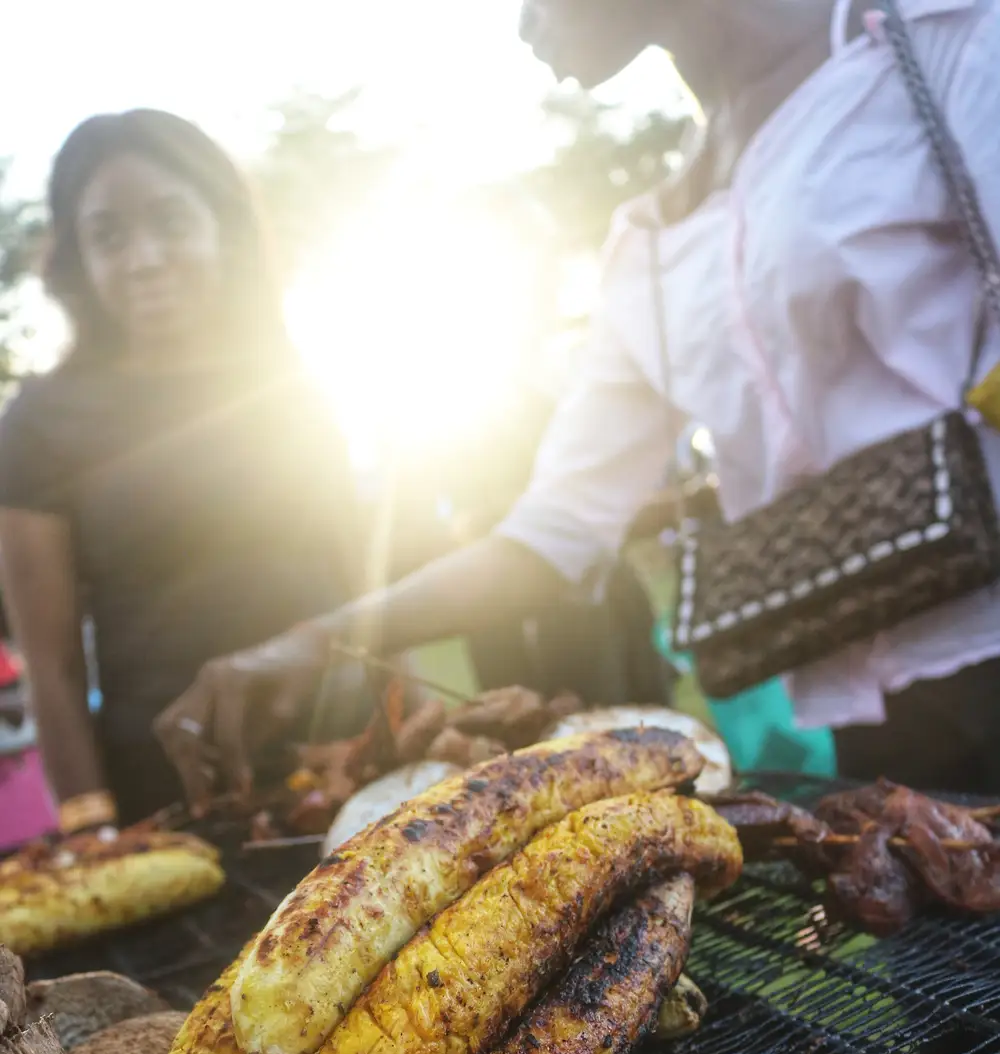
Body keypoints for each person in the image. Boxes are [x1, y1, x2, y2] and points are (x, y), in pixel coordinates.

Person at [157, 0, 1000, 801]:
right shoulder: (647, 249)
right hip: (879, 717)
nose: (525, 24)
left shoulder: (947, 47)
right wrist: (317, 640)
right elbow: (552, 534)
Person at [0, 109, 370, 829]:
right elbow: (52, 668)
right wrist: (93, 829)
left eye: (171, 221)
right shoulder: (37, 424)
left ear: (221, 228)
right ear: (78, 257)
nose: (144, 257)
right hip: (176, 796)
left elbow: (366, 577)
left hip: (347, 760)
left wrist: (423, 733)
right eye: (107, 235)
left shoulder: (291, 381)